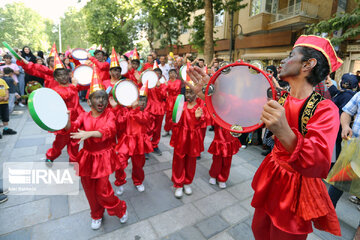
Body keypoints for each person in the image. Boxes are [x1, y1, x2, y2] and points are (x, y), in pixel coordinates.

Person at [186, 35, 343, 239]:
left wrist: (284, 131)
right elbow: (242, 107)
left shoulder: (325, 108)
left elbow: (319, 162)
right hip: (272, 174)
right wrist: (211, 93)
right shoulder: (279, 97)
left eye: (290, 55)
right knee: (259, 230)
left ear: (308, 64)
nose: (283, 61)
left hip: (295, 189)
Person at [69, 75, 128, 230]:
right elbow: (73, 128)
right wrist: (67, 121)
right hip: (87, 157)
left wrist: (90, 133)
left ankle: (120, 209)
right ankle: (96, 214)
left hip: (103, 157)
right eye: (97, 98)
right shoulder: (84, 115)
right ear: (89, 101)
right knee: (88, 189)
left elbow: (109, 130)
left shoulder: (110, 114)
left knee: (103, 191)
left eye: (103, 98)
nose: (101, 101)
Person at [44, 53, 84, 166]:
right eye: (60, 75)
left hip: (76, 119)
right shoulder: (57, 89)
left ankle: (73, 162)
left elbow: (85, 85)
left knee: (75, 143)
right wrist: (74, 85)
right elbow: (66, 95)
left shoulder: (73, 85)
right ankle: (50, 156)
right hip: (63, 120)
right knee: (59, 144)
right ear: (56, 78)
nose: (63, 77)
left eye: (65, 74)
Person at [114, 86, 153, 193]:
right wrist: (117, 108)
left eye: (144, 100)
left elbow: (143, 119)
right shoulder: (126, 110)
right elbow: (119, 122)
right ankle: (120, 182)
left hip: (139, 143)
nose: (141, 103)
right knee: (120, 163)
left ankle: (138, 181)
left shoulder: (146, 112)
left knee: (138, 165)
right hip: (126, 142)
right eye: (139, 99)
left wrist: (134, 110)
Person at [170, 84, 204, 198]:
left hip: (193, 139)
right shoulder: (181, 105)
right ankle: (178, 184)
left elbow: (201, 124)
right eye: (187, 92)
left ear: (197, 93)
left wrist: (198, 118)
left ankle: (187, 182)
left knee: (191, 161)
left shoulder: (199, 108)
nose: (189, 95)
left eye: (192, 92)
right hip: (181, 137)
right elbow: (175, 121)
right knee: (178, 160)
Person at [208, 123, 241, 189]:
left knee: (227, 161)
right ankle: (213, 175)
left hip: (231, 133)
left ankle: (222, 178)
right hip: (219, 136)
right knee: (216, 160)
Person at [146, 68, 167, 156]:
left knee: (157, 130)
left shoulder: (162, 85)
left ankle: (155, 145)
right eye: (155, 73)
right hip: (149, 108)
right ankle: (146, 147)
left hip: (159, 109)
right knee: (148, 129)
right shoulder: (148, 84)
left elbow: (163, 96)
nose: (157, 74)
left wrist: (159, 87)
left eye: (158, 73)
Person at [163, 69, 182, 137]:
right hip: (169, 100)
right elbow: (164, 91)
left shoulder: (178, 81)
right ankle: (167, 129)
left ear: (176, 74)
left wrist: (167, 86)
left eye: (173, 73)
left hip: (177, 99)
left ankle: (175, 130)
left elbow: (175, 88)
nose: (172, 74)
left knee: (176, 115)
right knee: (168, 116)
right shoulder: (167, 82)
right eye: (170, 73)